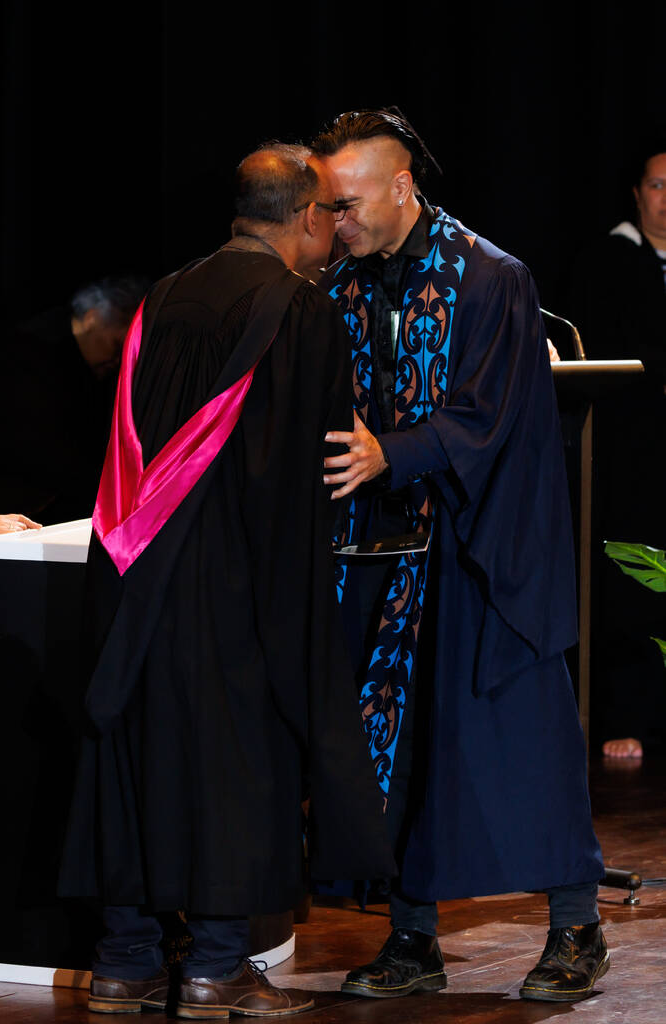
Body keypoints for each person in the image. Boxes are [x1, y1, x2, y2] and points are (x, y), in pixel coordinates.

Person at [58, 143, 394, 1018]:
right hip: (239, 583)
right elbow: (309, 474)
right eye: (329, 213)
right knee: (235, 768)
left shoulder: (159, 300)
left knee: (138, 756)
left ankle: (124, 962)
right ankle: (213, 967)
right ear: (305, 217)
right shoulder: (299, 312)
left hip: (135, 566)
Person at [312, 109, 607, 1003]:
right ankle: (411, 938)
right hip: (385, 552)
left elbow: (488, 414)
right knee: (402, 749)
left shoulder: (489, 278)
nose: (337, 222)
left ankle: (575, 927)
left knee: (524, 738)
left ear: (401, 186)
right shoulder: (343, 283)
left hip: (487, 547)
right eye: (327, 207)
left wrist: (386, 454)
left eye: (349, 204)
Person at [568, 140, 666, 761]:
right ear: (636, 193)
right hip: (633, 458)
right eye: (658, 185)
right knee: (634, 575)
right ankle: (628, 715)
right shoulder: (608, 261)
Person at [0, 276, 147, 526]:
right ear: (92, 316)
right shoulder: (28, 352)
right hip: (17, 506)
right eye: (115, 346)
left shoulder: (94, 371)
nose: (116, 361)